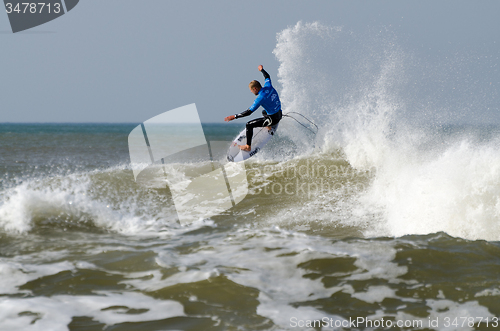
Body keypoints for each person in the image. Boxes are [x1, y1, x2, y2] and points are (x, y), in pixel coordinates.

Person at [224, 65, 282, 151]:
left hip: (273, 119)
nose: (251, 92)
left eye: (251, 90)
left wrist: (234, 116)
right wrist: (262, 70)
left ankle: (248, 147)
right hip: (280, 113)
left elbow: (249, 112)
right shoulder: (268, 85)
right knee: (264, 112)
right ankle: (269, 126)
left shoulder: (260, 98)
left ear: (255, 89)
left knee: (249, 124)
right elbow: (267, 76)